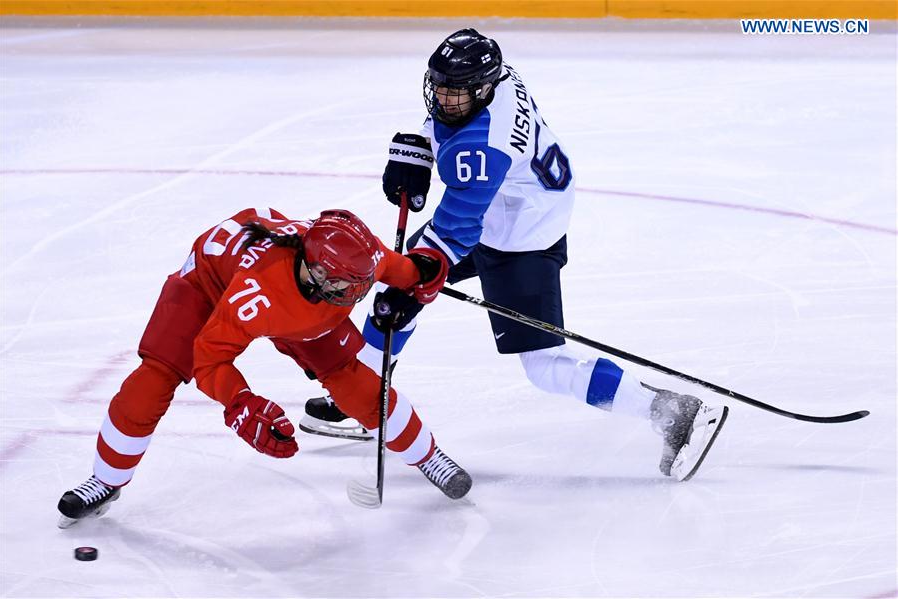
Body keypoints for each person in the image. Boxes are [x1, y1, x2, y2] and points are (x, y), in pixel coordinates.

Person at [300, 29, 728, 482]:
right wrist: (418, 151)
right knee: (399, 286)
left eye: (455, 94)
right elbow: (448, 132)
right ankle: (364, 396)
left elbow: (457, 229)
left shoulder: (484, 147)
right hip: (508, 206)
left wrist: (416, 282)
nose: (445, 100)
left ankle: (674, 412)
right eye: (440, 88)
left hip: (522, 237)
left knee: (544, 366)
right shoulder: (500, 81)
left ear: (483, 89)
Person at [57, 207, 472, 528]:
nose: (359, 294)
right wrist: (239, 402)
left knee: (357, 384)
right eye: (350, 287)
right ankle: (106, 479)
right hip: (208, 284)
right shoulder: (257, 294)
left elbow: (394, 267)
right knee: (153, 379)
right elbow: (209, 357)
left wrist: (422, 272)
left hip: (295, 301)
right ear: (320, 273)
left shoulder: (350, 259)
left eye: (361, 283)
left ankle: (429, 457)